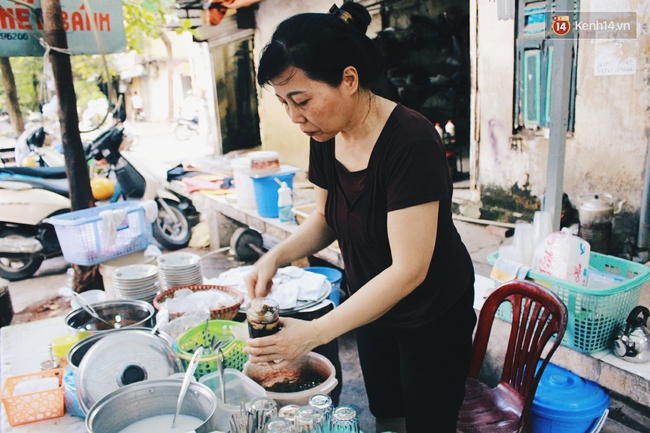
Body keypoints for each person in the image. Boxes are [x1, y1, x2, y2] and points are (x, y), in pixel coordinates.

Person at [243, 3, 476, 432]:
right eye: (284, 104)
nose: (296, 117)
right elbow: (327, 218)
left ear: (348, 79)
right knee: (386, 413)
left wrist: (316, 333)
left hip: (431, 314)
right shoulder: (326, 133)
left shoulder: (410, 142)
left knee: (428, 422)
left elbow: (409, 270)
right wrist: (274, 256)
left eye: (303, 100)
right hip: (370, 305)